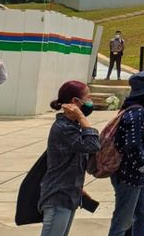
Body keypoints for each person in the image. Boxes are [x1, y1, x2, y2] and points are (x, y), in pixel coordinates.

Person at [39, 81, 101, 236]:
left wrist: (78, 185)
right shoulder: (64, 128)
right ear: (75, 102)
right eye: (88, 97)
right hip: (58, 196)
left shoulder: (73, 127)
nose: (90, 101)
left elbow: (73, 161)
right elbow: (93, 145)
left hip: (70, 194)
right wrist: (81, 116)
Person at [108, 71, 144, 236]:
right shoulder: (137, 113)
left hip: (138, 175)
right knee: (122, 222)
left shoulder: (141, 111)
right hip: (128, 176)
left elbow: (141, 143)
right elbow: (132, 147)